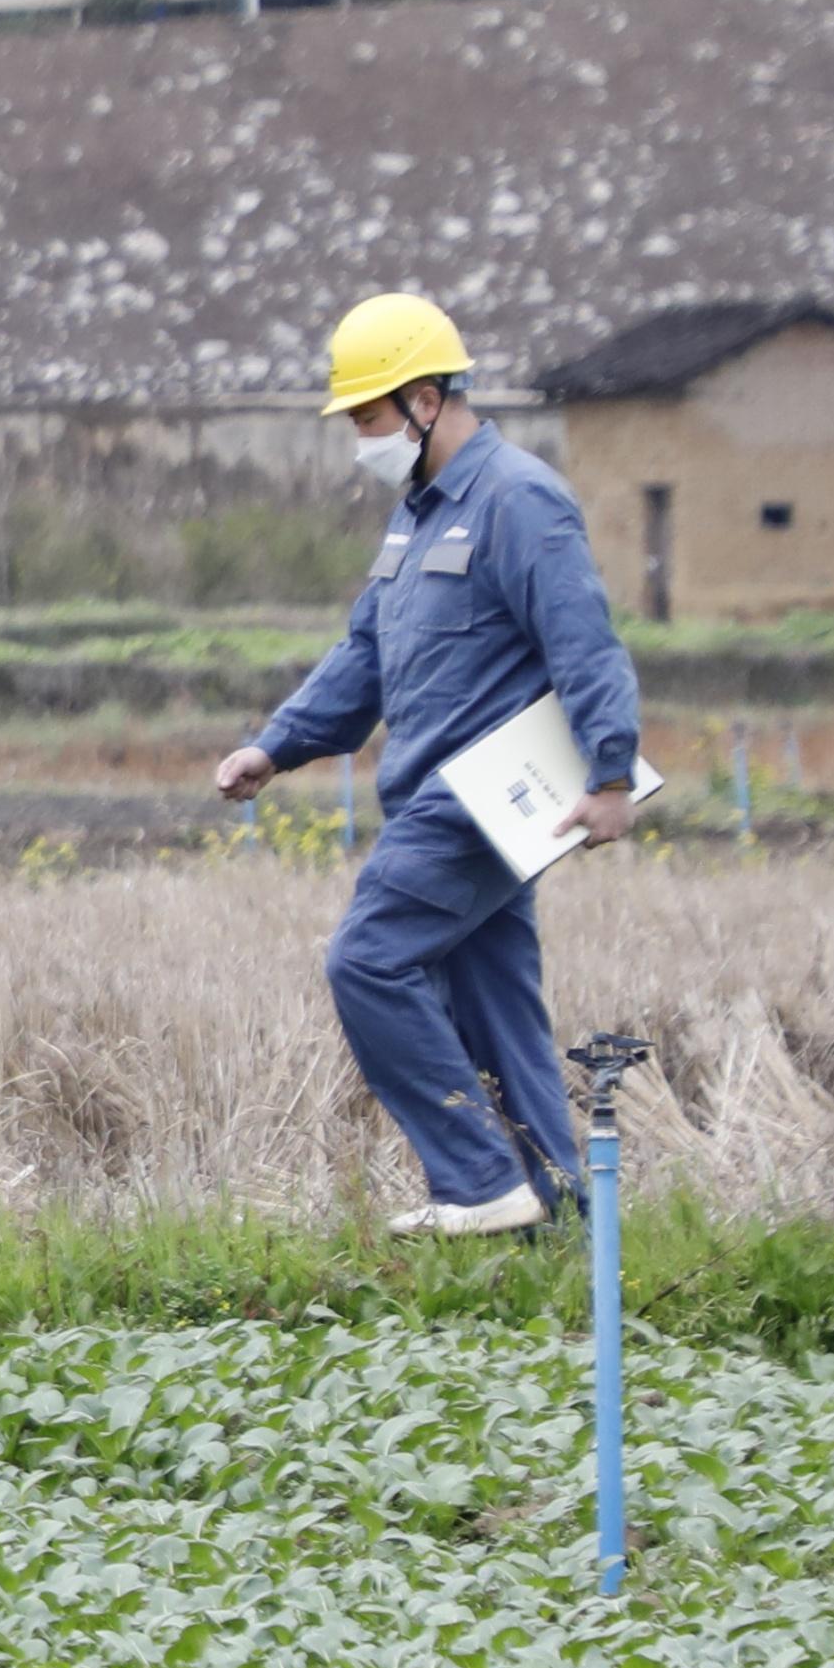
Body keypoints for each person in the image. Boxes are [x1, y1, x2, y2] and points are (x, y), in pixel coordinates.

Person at [214, 292, 644, 1235]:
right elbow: (365, 653)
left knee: (367, 962)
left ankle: (479, 1182)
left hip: (476, 798)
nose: (360, 440)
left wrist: (611, 774)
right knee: (498, 1007)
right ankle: (558, 1211)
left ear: (423, 398)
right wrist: (276, 743)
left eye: (367, 417)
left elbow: (584, 640)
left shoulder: (519, 498)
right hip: (438, 800)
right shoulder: (415, 519)